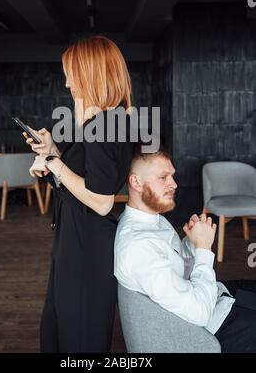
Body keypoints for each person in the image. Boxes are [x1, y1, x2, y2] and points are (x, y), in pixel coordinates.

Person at [25, 36, 134, 353]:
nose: (67, 81)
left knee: (77, 335)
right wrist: (53, 154)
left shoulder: (103, 124)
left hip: (86, 246)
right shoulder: (107, 121)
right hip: (77, 240)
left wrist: (54, 163)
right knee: (64, 326)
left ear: (90, 73)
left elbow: (101, 202)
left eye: (71, 72)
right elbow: (85, 181)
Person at [114, 145, 256, 353]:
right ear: (135, 182)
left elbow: (177, 266)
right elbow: (200, 313)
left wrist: (191, 242)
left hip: (215, 294)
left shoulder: (153, 220)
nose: (174, 184)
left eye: (172, 176)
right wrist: (204, 248)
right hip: (213, 325)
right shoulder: (138, 247)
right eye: (164, 177)